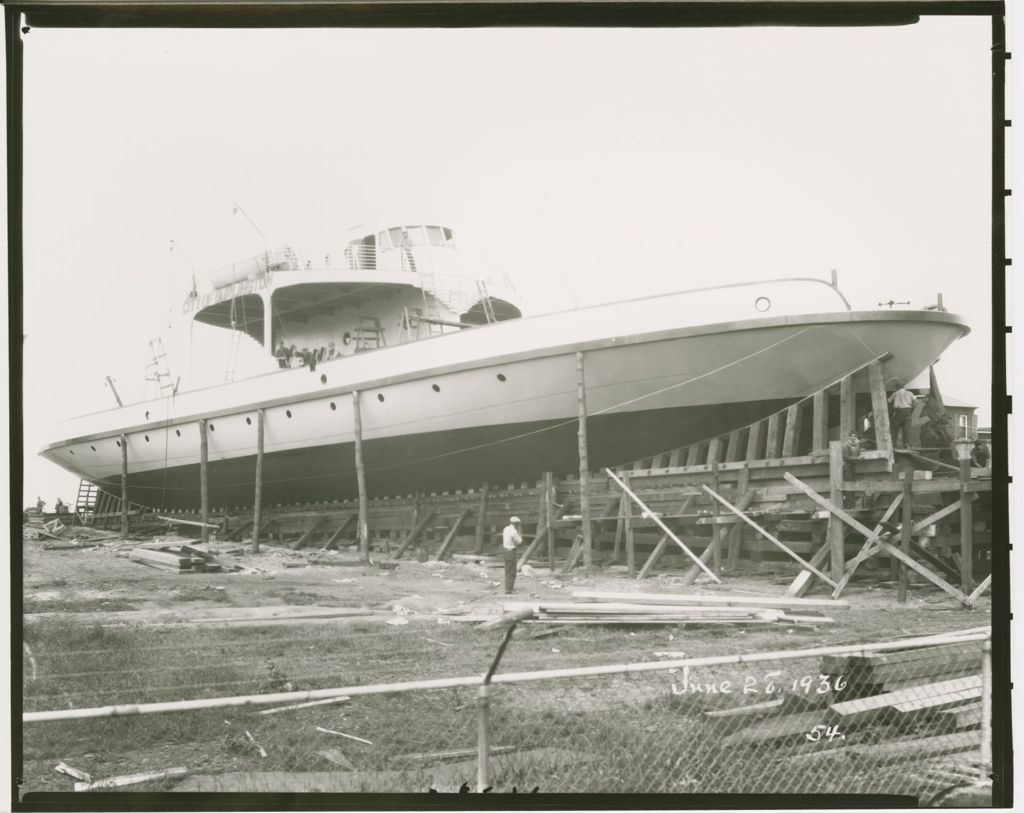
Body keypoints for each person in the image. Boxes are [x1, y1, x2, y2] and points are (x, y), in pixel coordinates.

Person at [888, 383, 916, 448]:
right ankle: (907, 445)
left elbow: (888, 401)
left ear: (897, 387)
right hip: (908, 411)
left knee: (895, 428)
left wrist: (892, 408)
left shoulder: (895, 393)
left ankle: (892, 444)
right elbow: (916, 402)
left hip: (898, 411)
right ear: (904, 387)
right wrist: (912, 409)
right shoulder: (910, 393)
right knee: (907, 429)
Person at [502, 516, 523, 594]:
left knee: (508, 570)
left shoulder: (506, 528)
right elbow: (519, 542)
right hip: (511, 551)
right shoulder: (514, 532)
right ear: (517, 524)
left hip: (506, 550)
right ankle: (508, 589)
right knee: (511, 571)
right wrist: (520, 532)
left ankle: (510, 587)